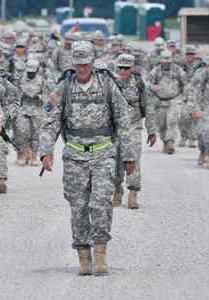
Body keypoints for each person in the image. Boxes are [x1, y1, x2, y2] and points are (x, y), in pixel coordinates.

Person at [39, 41, 136, 276]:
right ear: (73, 63)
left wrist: (129, 156)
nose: (82, 68)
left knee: (101, 203)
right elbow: (50, 120)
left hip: (103, 153)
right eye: (78, 64)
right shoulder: (63, 87)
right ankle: (83, 255)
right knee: (79, 207)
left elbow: (124, 120)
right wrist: (46, 151)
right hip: (74, 156)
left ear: (92, 63)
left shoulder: (107, 85)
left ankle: (100, 252)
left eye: (86, 64)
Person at [112, 54, 157, 209]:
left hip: (134, 127)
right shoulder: (111, 83)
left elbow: (148, 108)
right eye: (121, 68)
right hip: (115, 129)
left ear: (132, 68)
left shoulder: (139, 84)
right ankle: (117, 190)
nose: (123, 71)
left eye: (127, 68)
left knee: (134, 160)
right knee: (115, 161)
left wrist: (151, 131)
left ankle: (133, 193)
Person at [146, 50, 186, 154]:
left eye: (168, 61)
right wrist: (151, 86)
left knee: (172, 120)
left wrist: (185, 97)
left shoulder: (178, 70)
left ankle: (170, 142)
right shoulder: (156, 71)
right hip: (160, 100)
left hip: (174, 99)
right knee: (161, 124)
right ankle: (165, 141)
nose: (166, 63)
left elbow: (185, 83)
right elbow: (147, 83)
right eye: (164, 61)